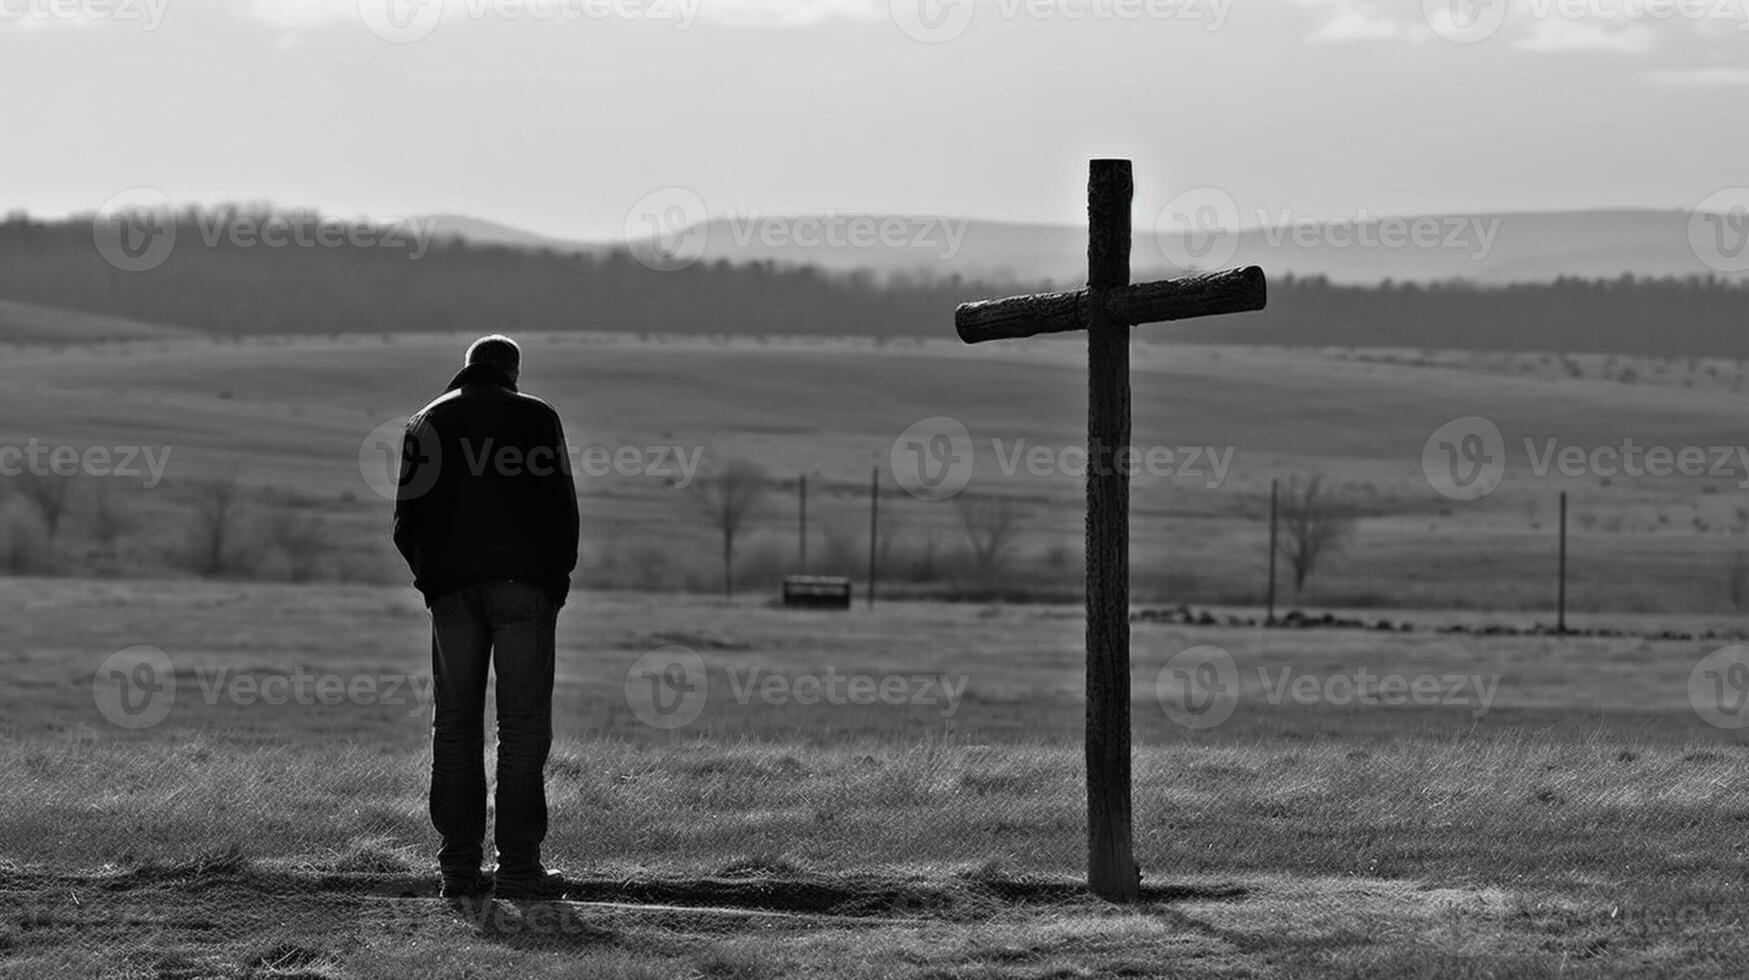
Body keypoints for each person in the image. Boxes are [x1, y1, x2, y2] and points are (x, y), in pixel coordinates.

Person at [393, 334, 578, 900]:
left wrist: (433, 583)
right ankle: (519, 867)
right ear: (512, 372)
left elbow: (407, 522)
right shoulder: (537, 417)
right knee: (521, 730)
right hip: (525, 591)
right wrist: (554, 582)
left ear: (466, 368)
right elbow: (561, 511)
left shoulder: (426, 421)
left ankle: (458, 868)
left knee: (454, 727)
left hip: (452, 596)